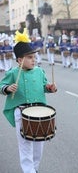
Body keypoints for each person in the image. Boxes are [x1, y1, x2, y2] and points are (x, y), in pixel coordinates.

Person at [0, 28, 57, 173]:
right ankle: (28, 171)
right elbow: (1, 86)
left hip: (39, 113)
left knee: (39, 146)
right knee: (25, 145)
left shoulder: (39, 71)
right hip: (21, 112)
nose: (34, 60)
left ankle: (34, 169)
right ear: (20, 60)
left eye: (34, 57)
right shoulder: (12, 73)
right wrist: (7, 88)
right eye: (30, 57)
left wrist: (50, 87)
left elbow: (44, 85)